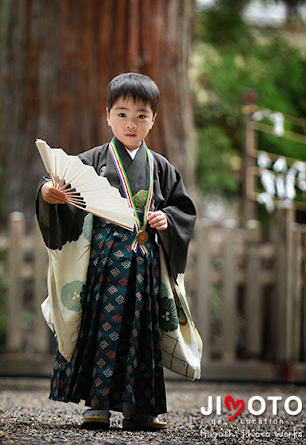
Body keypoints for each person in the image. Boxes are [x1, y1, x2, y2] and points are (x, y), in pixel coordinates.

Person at [36, 72, 196, 431]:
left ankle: (140, 408)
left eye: (141, 115)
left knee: (143, 334)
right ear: (107, 114)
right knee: (102, 329)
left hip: (144, 266)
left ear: (153, 120)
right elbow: (59, 182)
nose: (131, 123)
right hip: (102, 264)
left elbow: (183, 209)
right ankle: (98, 404)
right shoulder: (93, 159)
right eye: (122, 113)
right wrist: (49, 194)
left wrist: (167, 219)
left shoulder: (161, 167)